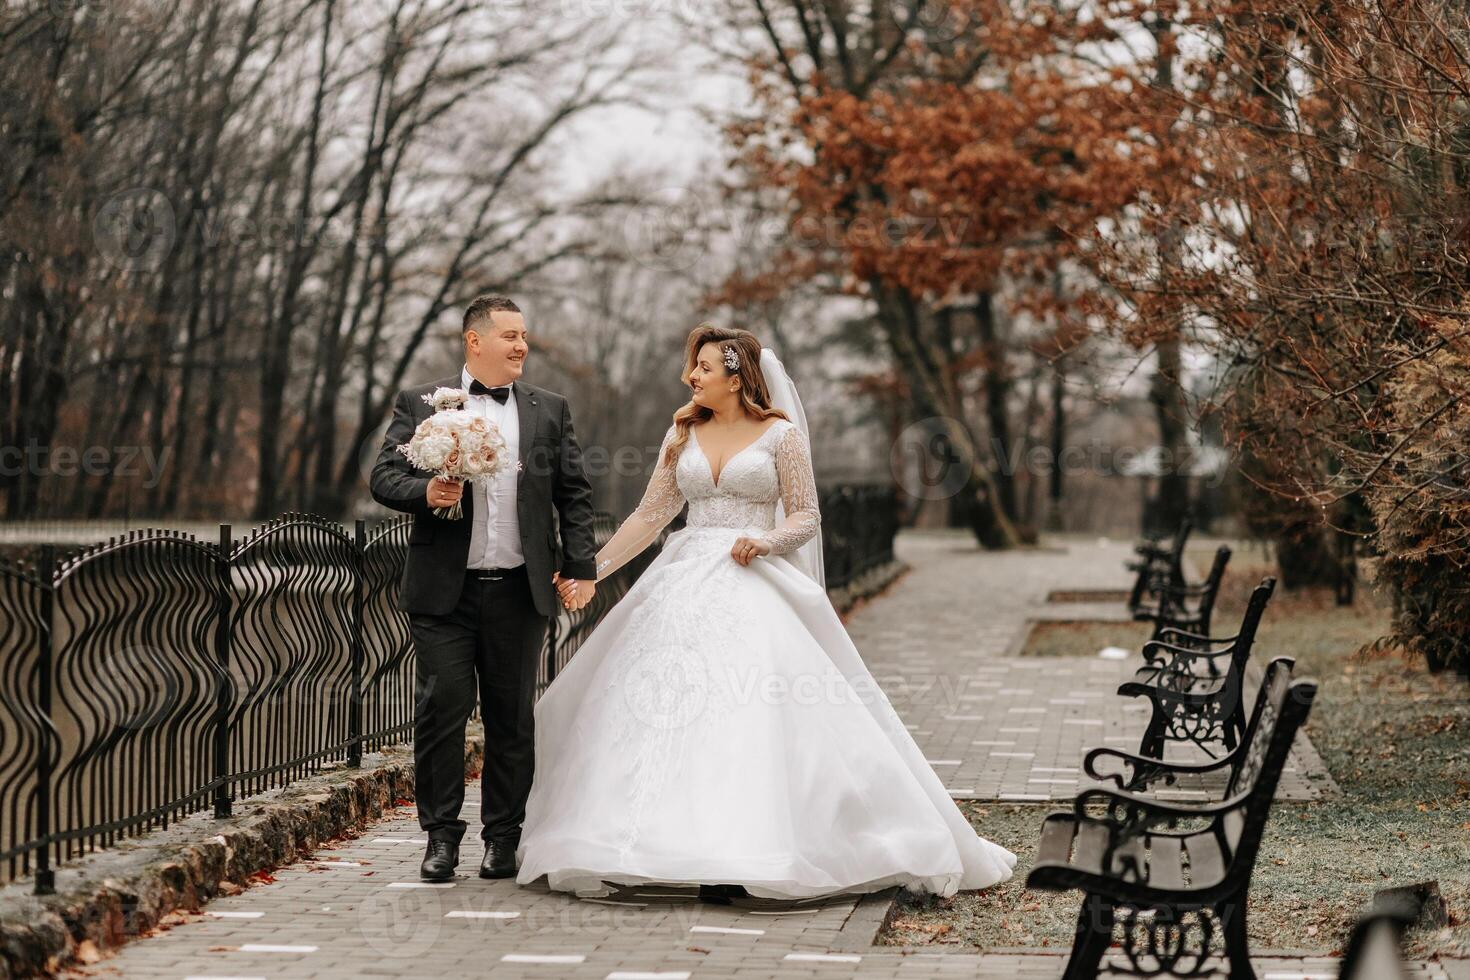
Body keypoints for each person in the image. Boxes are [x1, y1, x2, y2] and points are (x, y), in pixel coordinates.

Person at [515, 324, 1017, 901]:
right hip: (683, 581)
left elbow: (806, 516)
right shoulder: (680, 434)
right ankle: (640, 841)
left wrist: (768, 541)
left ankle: (739, 856)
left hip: (751, 578)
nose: (692, 377)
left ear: (736, 375)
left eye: (703, 367)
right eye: (692, 366)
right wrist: (591, 573)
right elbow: (649, 518)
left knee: (743, 710)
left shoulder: (781, 438)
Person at [369, 295, 599, 883]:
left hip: (521, 592)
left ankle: (504, 838)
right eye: (509, 335)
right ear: (475, 342)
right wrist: (426, 493)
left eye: (524, 335)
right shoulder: (423, 402)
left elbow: (573, 493)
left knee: (511, 719)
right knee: (441, 708)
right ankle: (440, 838)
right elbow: (384, 475)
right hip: (444, 592)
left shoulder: (550, 409)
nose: (522, 345)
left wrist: (581, 566)